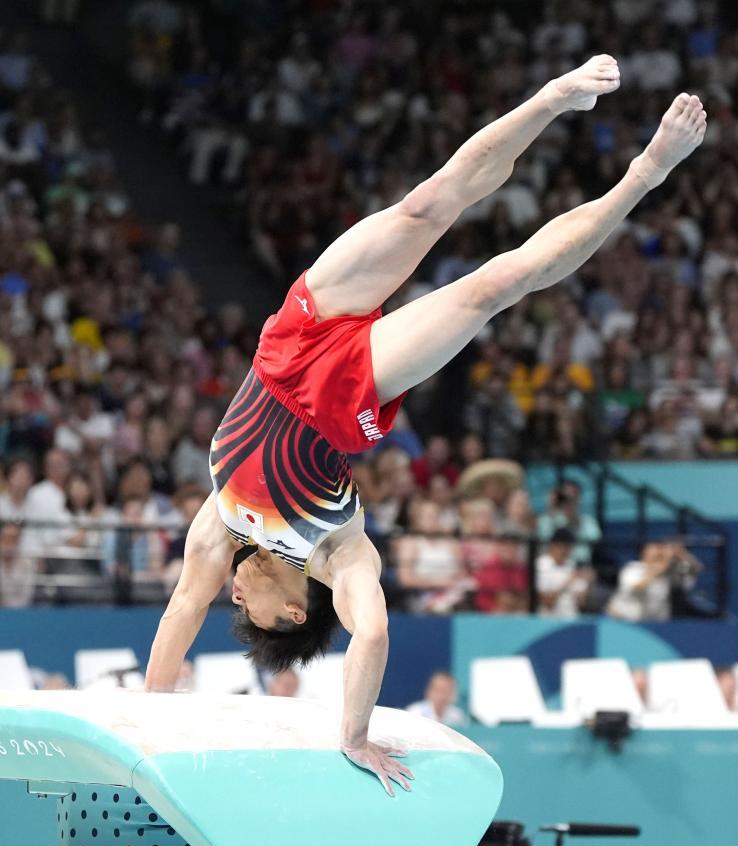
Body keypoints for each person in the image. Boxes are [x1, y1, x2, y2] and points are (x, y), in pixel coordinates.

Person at [145, 59, 707, 796]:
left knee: (426, 205)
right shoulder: (341, 558)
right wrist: (354, 736)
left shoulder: (220, 528)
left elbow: (182, 607)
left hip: (291, 337)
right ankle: (644, 175)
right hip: (350, 389)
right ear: (293, 611)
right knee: (494, 287)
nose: (230, 598)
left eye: (232, 604)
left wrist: (147, 726)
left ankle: (548, 98)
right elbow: (371, 633)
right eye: (246, 612)